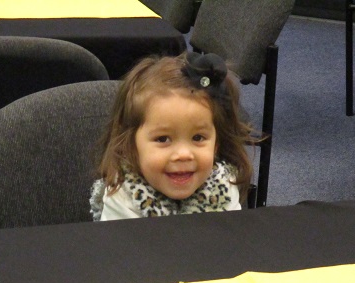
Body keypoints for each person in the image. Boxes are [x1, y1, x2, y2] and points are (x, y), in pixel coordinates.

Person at [90, 52, 257, 221]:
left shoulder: (224, 185)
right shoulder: (123, 194)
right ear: (131, 144)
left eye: (198, 138)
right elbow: (120, 247)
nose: (183, 154)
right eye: (163, 139)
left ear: (216, 144)